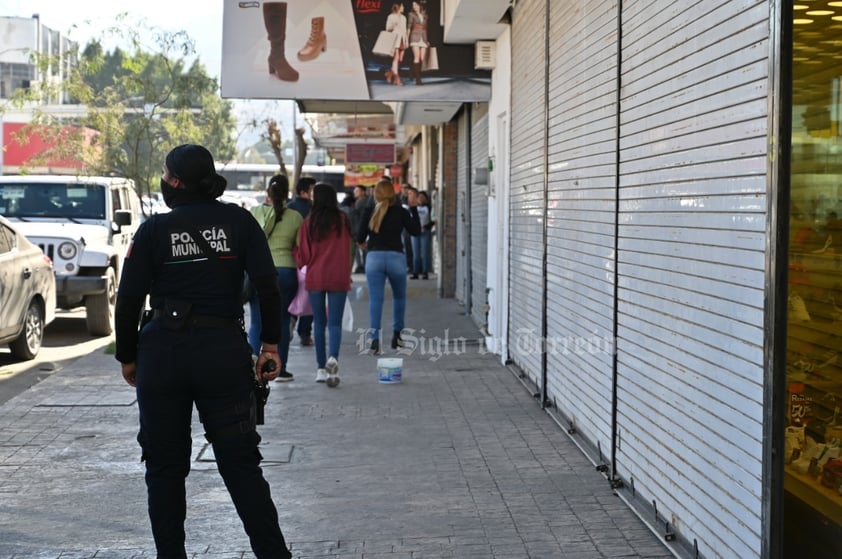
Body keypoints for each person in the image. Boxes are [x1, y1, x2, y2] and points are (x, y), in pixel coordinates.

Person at [114, 144, 292, 558]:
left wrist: (128, 356)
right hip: (222, 356)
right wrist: (270, 345)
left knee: (164, 469)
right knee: (241, 464)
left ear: (175, 181)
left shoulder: (154, 231)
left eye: (164, 173)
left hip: (162, 357)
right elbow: (269, 286)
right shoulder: (239, 222)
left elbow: (127, 299)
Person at [295, 183, 353, 386]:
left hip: (316, 277)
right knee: (335, 323)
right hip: (339, 276)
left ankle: (321, 369)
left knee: (319, 323)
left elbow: (303, 256)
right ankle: (333, 360)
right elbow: (348, 250)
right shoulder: (343, 221)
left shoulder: (309, 223)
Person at [248, 174, 303, 382]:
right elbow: (299, 246)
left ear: (267, 193)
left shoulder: (254, 213)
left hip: (258, 272)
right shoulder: (295, 217)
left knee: (256, 321)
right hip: (287, 272)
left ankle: (252, 367)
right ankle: (281, 368)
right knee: (283, 320)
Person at [357, 178, 421, 354]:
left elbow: (360, 237)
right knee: (399, 298)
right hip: (396, 258)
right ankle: (397, 337)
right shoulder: (401, 211)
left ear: (375, 194)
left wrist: (363, 244)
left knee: (376, 300)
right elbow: (416, 231)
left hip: (374, 258)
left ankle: (375, 341)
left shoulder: (369, 210)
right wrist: (413, 207)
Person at [287, 176, 316, 346]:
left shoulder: (289, 208)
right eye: (312, 190)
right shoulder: (313, 209)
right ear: (304, 192)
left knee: (294, 294)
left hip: (294, 258)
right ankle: (305, 333)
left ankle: (291, 319)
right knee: (309, 298)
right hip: (311, 259)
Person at [410, 190, 433, 279]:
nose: (421, 199)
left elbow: (433, 219)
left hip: (425, 232)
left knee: (425, 252)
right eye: (419, 197)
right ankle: (415, 272)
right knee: (415, 253)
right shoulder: (413, 208)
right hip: (415, 232)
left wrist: (427, 226)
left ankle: (425, 272)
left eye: (423, 197)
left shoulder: (429, 208)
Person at [384, 3, 408, 86]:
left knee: (400, 59)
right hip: (395, 39)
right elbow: (387, 28)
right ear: (398, 7)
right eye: (402, 6)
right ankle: (397, 79)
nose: (403, 7)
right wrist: (393, 25)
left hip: (402, 39)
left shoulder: (404, 18)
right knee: (396, 58)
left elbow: (405, 30)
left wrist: (406, 41)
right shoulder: (391, 16)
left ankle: (389, 73)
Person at [407, 0, 430, 85]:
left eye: (416, 5)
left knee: (422, 58)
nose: (414, 7)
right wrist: (407, 38)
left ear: (419, 5)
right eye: (413, 5)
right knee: (416, 58)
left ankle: (412, 71)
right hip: (414, 36)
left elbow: (426, 28)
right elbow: (409, 27)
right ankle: (418, 79)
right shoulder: (411, 14)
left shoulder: (425, 15)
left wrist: (427, 40)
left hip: (423, 37)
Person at [351, 185, 371, 273]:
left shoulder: (360, 202)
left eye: (357, 191)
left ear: (363, 192)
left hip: (360, 227)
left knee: (359, 247)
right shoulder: (368, 201)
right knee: (365, 248)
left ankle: (360, 266)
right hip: (366, 227)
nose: (355, 193)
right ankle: (365, 265)